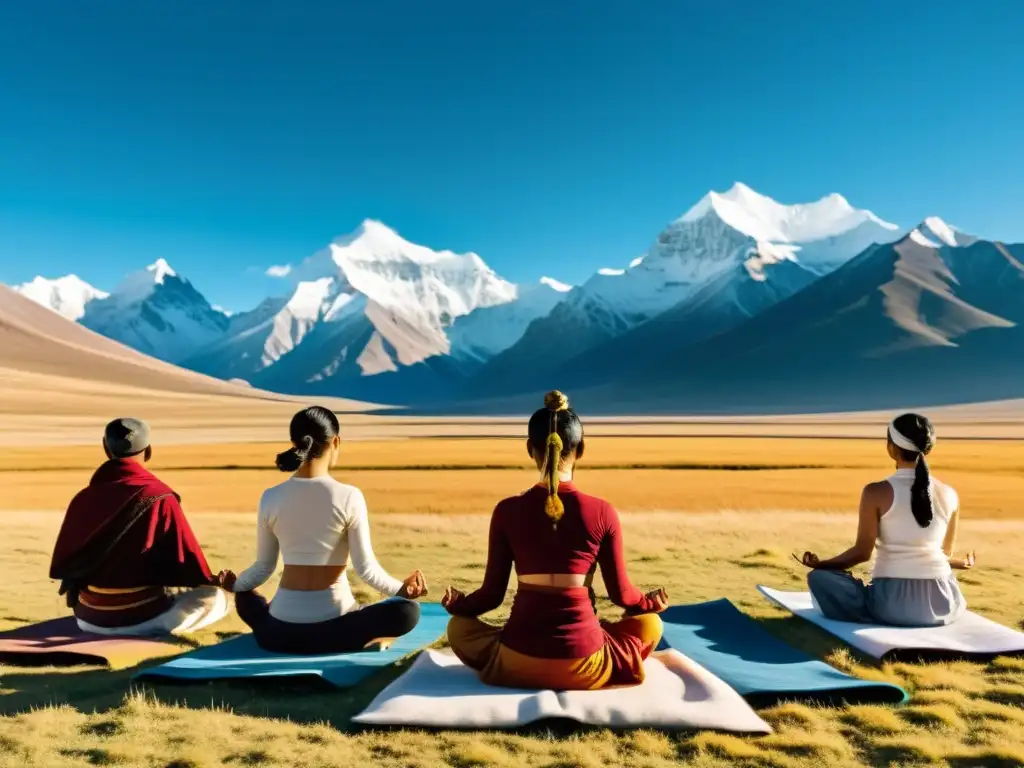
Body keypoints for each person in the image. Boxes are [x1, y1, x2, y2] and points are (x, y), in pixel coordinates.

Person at [442, 391, 667, 690]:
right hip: (587, 666)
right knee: (651, 623)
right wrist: (647, 603)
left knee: (458, 628)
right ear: (582, 449)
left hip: (516, 662)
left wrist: (459, 605)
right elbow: (622, 596)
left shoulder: (507, 510)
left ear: (528, 449)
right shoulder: (602, 512)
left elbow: (491, 596)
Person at [217, 406, 426, 654]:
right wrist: (403, 591)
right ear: (336, 441)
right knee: (407, 611)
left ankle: (265, 616)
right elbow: (366, 569)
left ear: (294, 443)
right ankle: (360, 639)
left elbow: (263, 568)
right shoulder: (349, 496)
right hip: (335, 632)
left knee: (246, 593)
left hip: (278, 634)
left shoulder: (271, 497)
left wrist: (236, 585)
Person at [49, 417, 230, 636]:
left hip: (89, 619)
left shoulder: (83, 498)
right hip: (142, 619)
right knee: (216, 598)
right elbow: (189, 567)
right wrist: (215, 581)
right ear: (149, 451)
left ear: (106, 448)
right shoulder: (160, 497)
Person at [800, 413, 976, 627]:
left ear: (891, 448)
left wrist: (822, 565)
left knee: (819, 578)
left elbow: (862, 553)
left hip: (892, 606)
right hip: (945, 602)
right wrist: (960, 562)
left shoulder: (875, 492)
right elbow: (943, 554)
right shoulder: (950, 494)